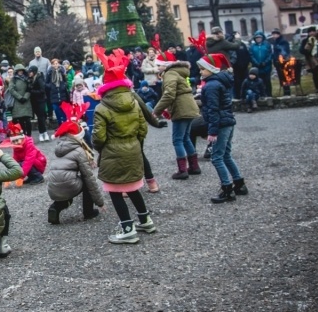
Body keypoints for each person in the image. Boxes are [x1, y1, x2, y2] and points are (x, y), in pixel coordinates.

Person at [90, 47, 155, 245]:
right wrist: (135, 142)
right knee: (133, 186)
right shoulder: (134, 102)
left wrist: (100, 148)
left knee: (116, 191)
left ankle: (127, 228)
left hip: (113, 151)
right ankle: (145, 219)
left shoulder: (102, 108)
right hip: (134, 148)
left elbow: (98, 137)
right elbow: (143, 128)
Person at [197, 53, 248, 203]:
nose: (200, 72)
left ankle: (227, 189)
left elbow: (213, 109)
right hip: (228, 121)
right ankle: (239, 184)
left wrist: (212, 131)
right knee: (226, 154)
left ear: (211, 69)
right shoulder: (220, 81)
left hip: (220, 124)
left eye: (202, 69)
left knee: (217, 157)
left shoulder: (211, 85)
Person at [46, 104, 104, 225]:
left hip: (53, 186)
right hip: (68, 184)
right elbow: (89, 178)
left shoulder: (59, 147)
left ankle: (55, 207)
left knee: (66, 187)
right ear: (79, 136)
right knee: (86, 182)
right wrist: (100, 202)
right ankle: (88, 212)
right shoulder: (79, 151)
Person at [151, 49, 202, 179]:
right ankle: (194, 166)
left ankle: (182, 170)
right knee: (185, 138)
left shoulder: (169, 74)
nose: (157, 68)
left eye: (158, 65)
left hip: (181, 109)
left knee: (177, 140)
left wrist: (156, 111)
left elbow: (169, 94)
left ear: (166, 64)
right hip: (189, 107)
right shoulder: (177, 72)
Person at [7, 64, 33, 136]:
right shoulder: (13, 79)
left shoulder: (27, 79)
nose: (20, 72)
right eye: (19, 71)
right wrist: (19, 97)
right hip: (18, 102)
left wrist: (25, 97)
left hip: (26, 101)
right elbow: (11, 89)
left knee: (28, 120)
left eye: (21, 70)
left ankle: (29, 136)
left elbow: (29, 88)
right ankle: (23, 135)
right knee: (21, 120)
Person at [248, 31, 273, 97]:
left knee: (267, 81)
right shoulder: (252, 46)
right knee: (258, 82)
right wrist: (256, 63)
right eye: (257, 38)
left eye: (259, 37)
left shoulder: (267, 45)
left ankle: (269, 94)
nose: (258, 39)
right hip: (257, 68)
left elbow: (270, 55)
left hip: (266, 67)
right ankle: (260, 95)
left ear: (262, 38)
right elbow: (251, 56)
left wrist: (265, 62)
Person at [46, 58, 70, 126]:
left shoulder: (62, 71)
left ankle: (65, 124)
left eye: (57, 63)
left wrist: (64, 85)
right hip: (54, 94)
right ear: (52, 65)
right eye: (54, 64)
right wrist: (51, 86)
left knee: (63, 111)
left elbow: (66, 81)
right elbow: (46, 83)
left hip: (62, 94)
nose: (56, 65)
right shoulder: (49, 73)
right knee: (56, 110)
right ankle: (60, 125)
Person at [269, 29, 292, 96]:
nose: (273, 36)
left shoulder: (282, 42)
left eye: (275, 34)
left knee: (285, 77)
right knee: (282, 77)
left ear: (278, 34)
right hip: (277, 62)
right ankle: (285, 91)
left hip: (283, 62)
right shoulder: (275, 42)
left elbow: (284, 52)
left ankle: (287, 92)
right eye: (273, 34)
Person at [28, 65, 48, 142]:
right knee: (39, 117)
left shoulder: (39, 78)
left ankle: (43, 132)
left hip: (40, 100)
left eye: (31, 72)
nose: (30, 73)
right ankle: (42, 132)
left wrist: (32, 92)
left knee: (41, 117)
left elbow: (42, 90)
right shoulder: (30, 78)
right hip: (34, 101)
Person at [300, 27, 318, 94]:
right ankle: (317, 88)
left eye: (313, 31)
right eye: (310, 32)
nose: (312, 33)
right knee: (315, 75)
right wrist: (308, 52)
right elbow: (301, 50)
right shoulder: (305, 40)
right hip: (310, 60)